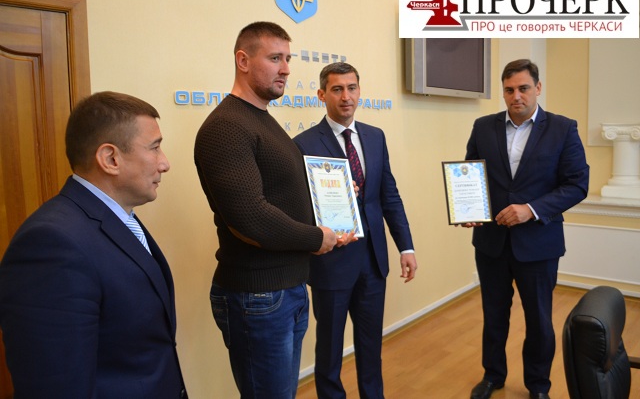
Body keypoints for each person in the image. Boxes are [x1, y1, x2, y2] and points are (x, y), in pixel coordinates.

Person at [194, 21, 351, 399]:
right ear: (243, 60)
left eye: (288, 59)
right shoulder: (226, 127)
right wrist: (317, 237)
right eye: (275, 58)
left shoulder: (261, 119)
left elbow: (284, 195)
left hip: (285, 288)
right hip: (258, 296)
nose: (286, 69)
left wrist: (337, 199)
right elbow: (251, 217)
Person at [0, 91, 187, 398]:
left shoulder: (116, 217)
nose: (164, 163)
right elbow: (56, 386)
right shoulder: (51, 245)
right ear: (110, 159)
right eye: (154, 148)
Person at [462, 59, 589, 399]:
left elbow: (577, 185)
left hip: (538, 244)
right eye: (509, 90)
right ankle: (493, 376)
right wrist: (469, 208)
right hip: (491, 242)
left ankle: (538, 385)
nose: (516, 96)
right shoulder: (483, 126)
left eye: (523, 88)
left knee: (539, 320)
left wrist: (530, 210)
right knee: (493, 315)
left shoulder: (563, 128)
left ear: (538, 88)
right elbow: (471, 173)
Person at [294, 62, 417, 399]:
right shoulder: (303, 144)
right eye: (337, 89)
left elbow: (389, 196)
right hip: (331, 263)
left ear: (359, 91)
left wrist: (406, 247)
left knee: (370, 345)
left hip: (373, 262)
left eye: (351, 88)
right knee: (330, 350)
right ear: (322, 95)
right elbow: (299, 207)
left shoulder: (375, 137)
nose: (346, 96)